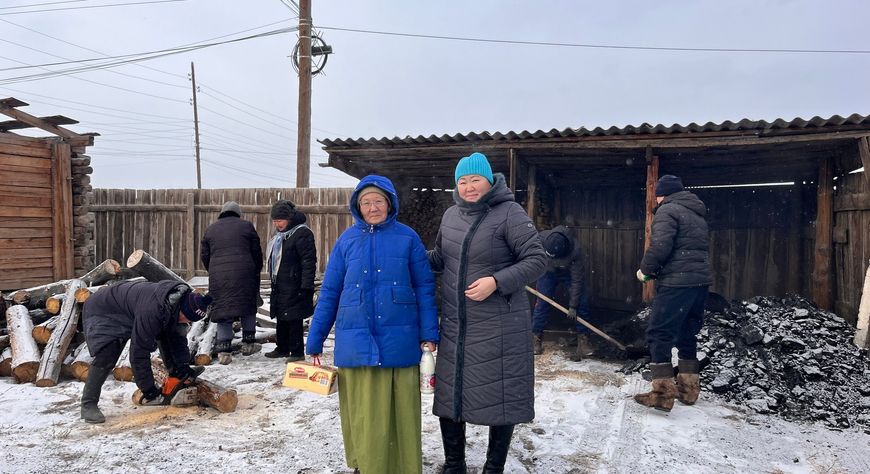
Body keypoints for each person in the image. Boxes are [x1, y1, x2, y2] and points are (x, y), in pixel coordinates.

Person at [306, 175, 439, 474]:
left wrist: (429, 333)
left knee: (399, 410)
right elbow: (330, 292)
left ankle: (402, 465)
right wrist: (315, 340)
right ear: (357, 206)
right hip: (356, 340)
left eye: (378, 201)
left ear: (389, 203)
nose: (372, 207)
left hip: (399, 339)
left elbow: (424, 288)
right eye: (366, 202)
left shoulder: (408, 238)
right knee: (363, 411)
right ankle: (365, 464)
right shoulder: (346, 241)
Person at [428, 152, 547, 474]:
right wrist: (407, 255)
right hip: (456, 323)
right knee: (450, 397)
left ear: (490, 180)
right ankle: (455, 465)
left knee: (501, 397)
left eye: (475, 179)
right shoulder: (451, 214)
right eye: (462, 181)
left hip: (500, 324)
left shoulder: (510, 212)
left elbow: (537, 259)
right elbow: (441, 258)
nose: (468, 186)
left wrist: (497, 281)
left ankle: (494, 467)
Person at [80, 280, 212, 423]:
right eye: (186, 317)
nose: (186, 321)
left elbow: (175, 337)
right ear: (182, 308)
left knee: (168, 331)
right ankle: (88, 404)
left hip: (125, 306)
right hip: (102, 309)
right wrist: (149, 390)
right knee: (108, 354)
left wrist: (182, 367)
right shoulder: (153, 310)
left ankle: (177, 371)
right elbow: (138, 351)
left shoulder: (173, 304)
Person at [634, 175, 713, 412]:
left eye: (658, 194)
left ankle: (661, 394)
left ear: (663, 194)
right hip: (699, 283)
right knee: (687, 331)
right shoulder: (697, 214)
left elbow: (660, 246)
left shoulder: (668, 211)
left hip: (677, 282)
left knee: (659, 332)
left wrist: (646, 270)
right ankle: (689, 389)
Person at [200, 201, 264, 364]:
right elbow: (256, 252)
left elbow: (205, 256)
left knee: (223, 309)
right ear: (238, 213)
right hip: (245, 273)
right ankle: (248, 344)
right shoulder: (247, 226)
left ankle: (224, 351)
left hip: (219, 276)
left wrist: (214, 270)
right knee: (248, 306)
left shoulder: (210, 229)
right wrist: (255, 269)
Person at [265, 199, 317, 362]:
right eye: (274, 221)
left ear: (289, 219)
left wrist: (306, 286)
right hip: (280, 283)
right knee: (282, 316)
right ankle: (282, 348)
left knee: (294, 318)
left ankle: (296, 352)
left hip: (295, 283)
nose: (277, 224)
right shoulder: (281, 236)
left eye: (280, 221)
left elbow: (308, 261)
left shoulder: (302, 233)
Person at [531, 225, 591, 361]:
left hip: (568, 273)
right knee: (542, 303)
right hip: (547, 272)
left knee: (581, 301)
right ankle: (536, 337)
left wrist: (573, 306)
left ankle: (583, 339)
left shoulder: (576, 251)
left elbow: (577, 281)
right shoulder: (539, 240)